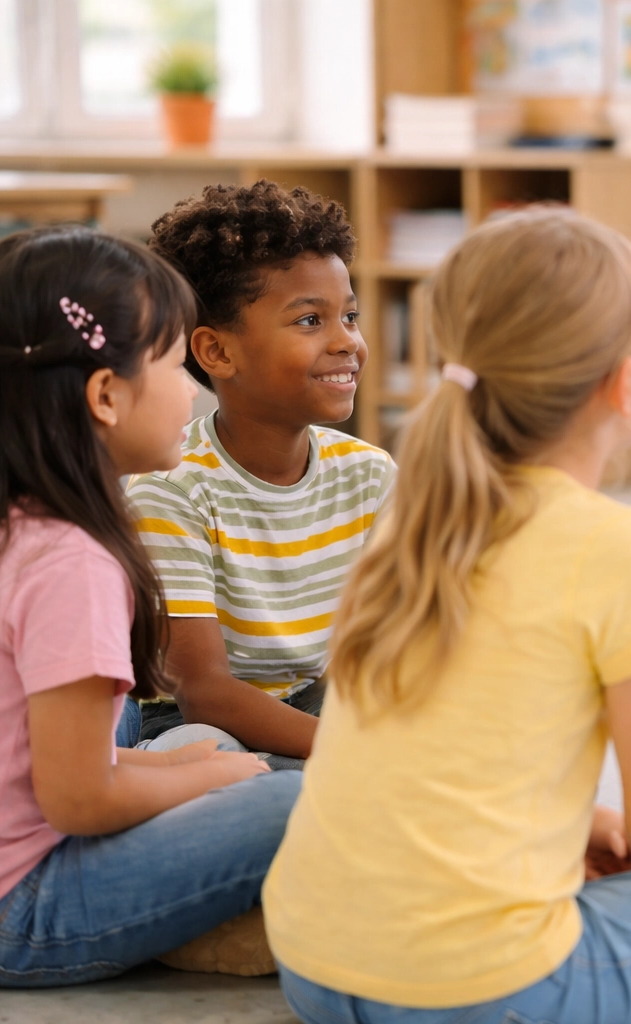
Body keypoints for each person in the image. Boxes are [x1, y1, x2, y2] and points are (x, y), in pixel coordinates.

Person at [262, 207, 631, 1024]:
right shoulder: (618, 550)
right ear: (627, 382)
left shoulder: (410, 523)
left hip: (313, 967)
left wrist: (576, 823)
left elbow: (432, 759)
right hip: (480, 998)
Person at [0, 226, 300, 987]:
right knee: (291, 799)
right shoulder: (69, 561)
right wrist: (216, 784)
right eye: (176, 363)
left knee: (204, 744)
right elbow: (80, 796)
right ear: (106, 395)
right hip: (8, 917)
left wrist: (198, 770)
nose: (193, 388)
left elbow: (26, 757)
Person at [127, 181, 394, 769]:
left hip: (319, 705)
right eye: (309, 321)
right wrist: (364, 755)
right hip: (202, 720)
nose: (346, 341)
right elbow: (203, 693)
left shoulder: (370, 475)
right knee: (201, 756)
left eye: (349, 315)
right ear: (217, 352)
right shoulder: (172, 492)